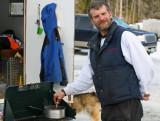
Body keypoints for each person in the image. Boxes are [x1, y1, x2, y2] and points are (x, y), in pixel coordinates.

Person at [54, 1, 154, 121]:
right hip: (107, 105)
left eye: (103, 14)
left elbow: (145, 66)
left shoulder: (125, 36)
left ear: (110, 14)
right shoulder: (94, 45)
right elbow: (86, 78)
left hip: (126, 105)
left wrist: (142, 90)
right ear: (92, 21)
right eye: (96, 16)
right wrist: (65, 91)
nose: (101, 18)